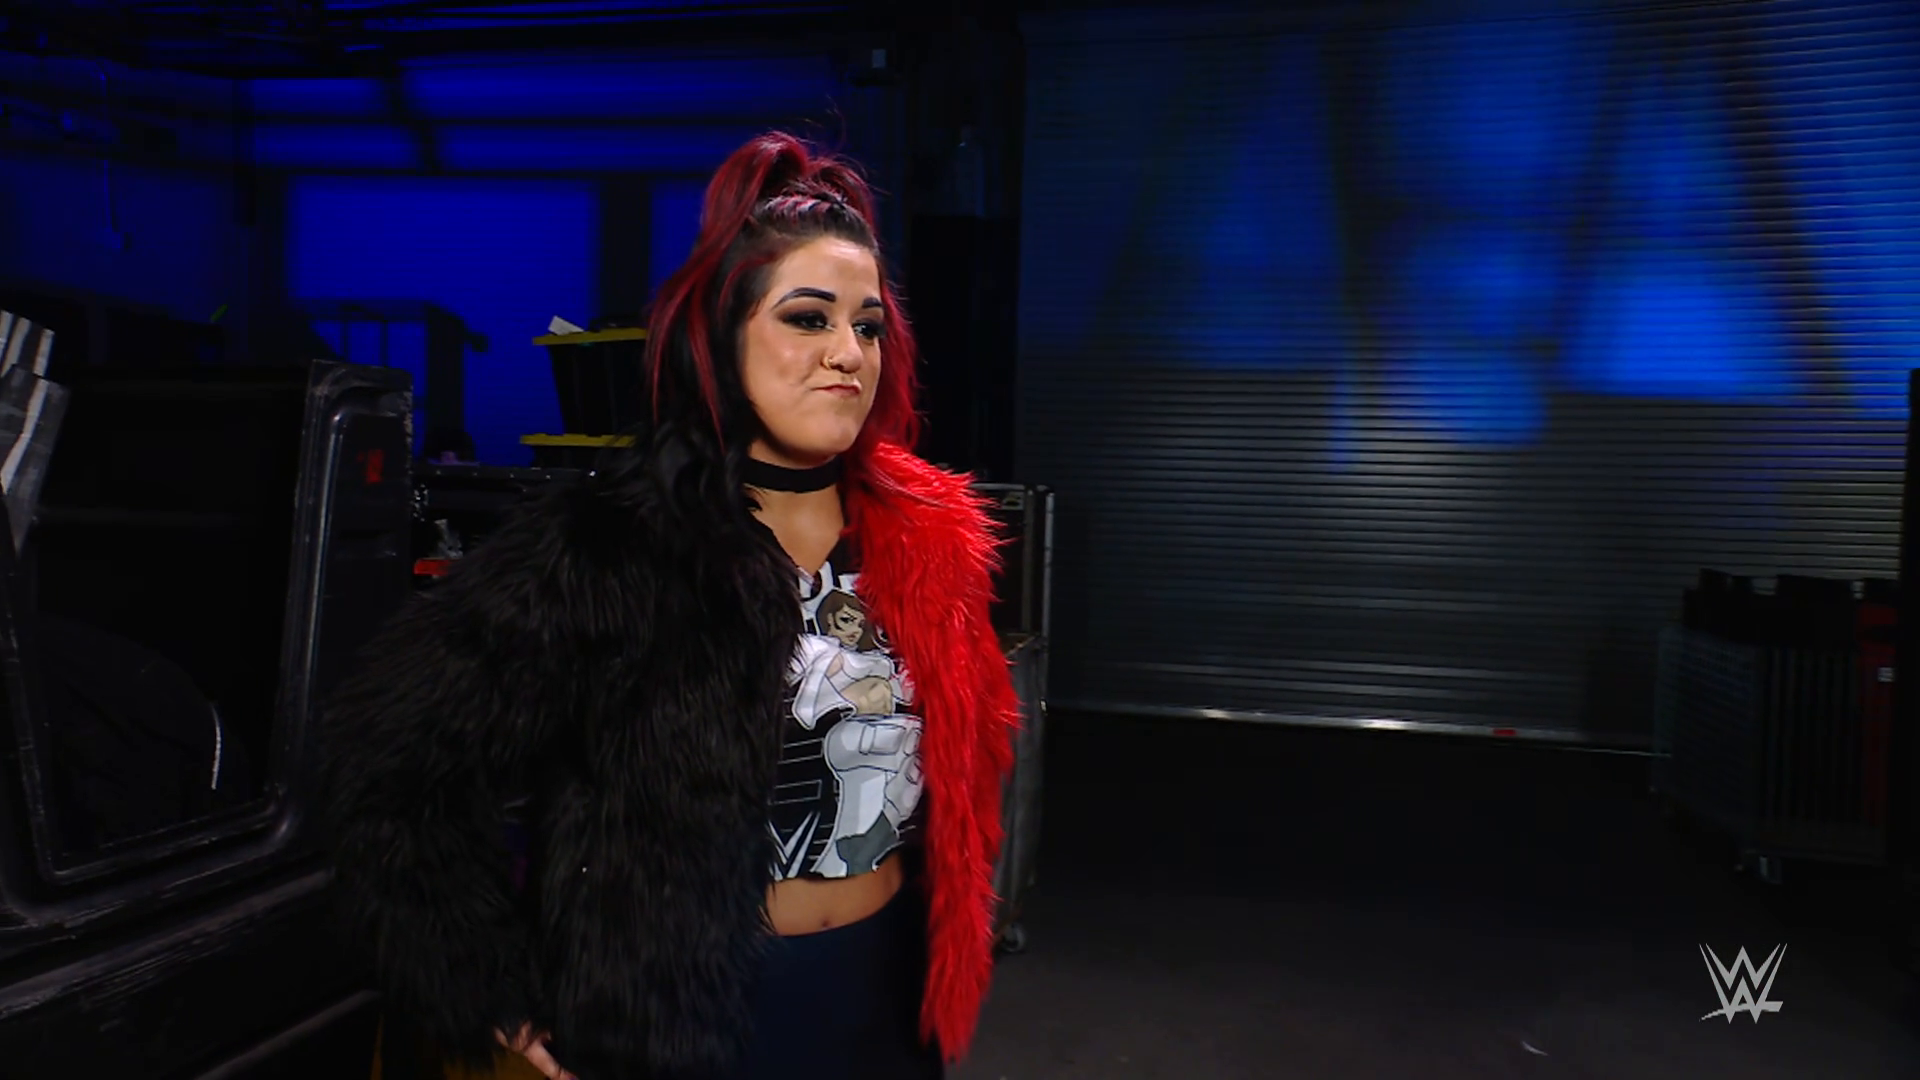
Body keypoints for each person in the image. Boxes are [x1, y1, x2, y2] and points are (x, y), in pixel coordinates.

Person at [314, 132, 1020, 1080]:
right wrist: (488, 986)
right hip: (687, 1019)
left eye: (868, 326)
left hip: (885, 997)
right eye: (807, 318)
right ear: (722, 336)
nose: (847, 353)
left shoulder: (931, 545)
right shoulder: (616, 544)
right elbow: (388, 764)